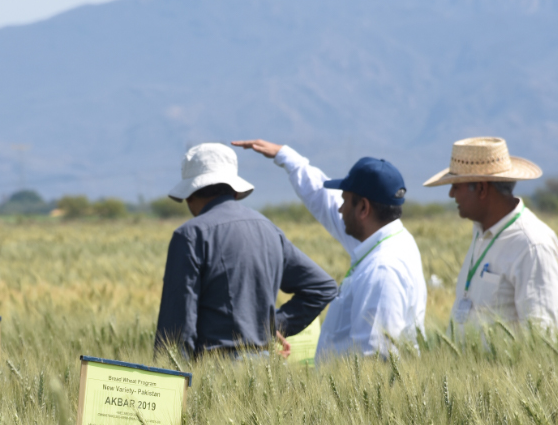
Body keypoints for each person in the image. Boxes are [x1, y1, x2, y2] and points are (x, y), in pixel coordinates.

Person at [233, 139, 426, 361]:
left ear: (363, 208)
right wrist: (288, 158)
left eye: (344, 201)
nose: (340, 208)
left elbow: (374, 361)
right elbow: (325, 202)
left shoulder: (383, 269)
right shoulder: (387, 240)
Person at [154, 143, 338, 359]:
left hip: (212, 375)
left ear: (190, 194)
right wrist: (269, 327)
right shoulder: (269, 229)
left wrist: (168, 381)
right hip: (266, 369)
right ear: (234, 189)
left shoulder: (190, 235)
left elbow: (176, 328)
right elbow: (322, 287)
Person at [423, 136, 558, 332]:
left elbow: (542, 336)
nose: (451, 194)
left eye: (456, 186)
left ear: (481, 189)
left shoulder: (532, 245)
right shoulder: (480, 232)